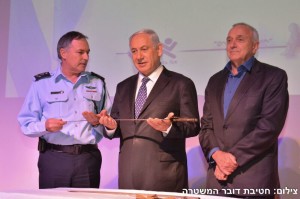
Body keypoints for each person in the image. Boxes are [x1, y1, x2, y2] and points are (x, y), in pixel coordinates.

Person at [98, 29, 200, 192]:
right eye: (134, 51)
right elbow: (118, 126)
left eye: (144, 49)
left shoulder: (181, 84)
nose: (139, 56)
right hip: (128, 177)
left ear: (159, 50)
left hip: (165, 178)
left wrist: (167, 128)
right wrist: (110, 126)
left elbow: (193, 126)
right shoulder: (123, 87)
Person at [199, 23, 289, 198]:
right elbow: (206, 127)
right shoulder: (215, 81)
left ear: (255, 46)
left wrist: (230, 160)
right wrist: (216, 155)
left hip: (253, 181)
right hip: (216, 182)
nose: (232, 44)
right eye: (229, 40)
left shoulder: (273, 77)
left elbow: (268, 127)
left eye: (240, 40)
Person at [17, 31, 111, 188]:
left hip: (88, 160)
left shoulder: (97, 83)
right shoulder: (42, 84)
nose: (86, 57)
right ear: (63, 53)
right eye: (80, 52)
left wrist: (100, 123)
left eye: (88, 52)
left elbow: (109, 124)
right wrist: (45, 126)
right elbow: (26, 123)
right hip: (54, 159)